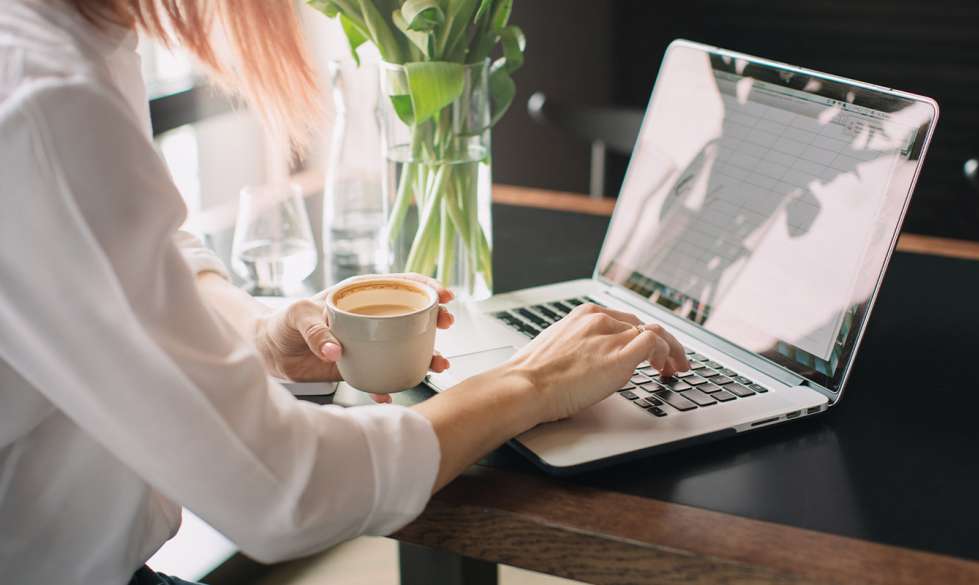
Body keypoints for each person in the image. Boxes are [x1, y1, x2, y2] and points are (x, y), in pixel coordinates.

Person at [0, 1, 690, 584]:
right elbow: (283, 488)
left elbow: (124, 245)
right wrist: (530, 381)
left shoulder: (66, 34)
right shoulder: (44, 92)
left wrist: (252, 330)